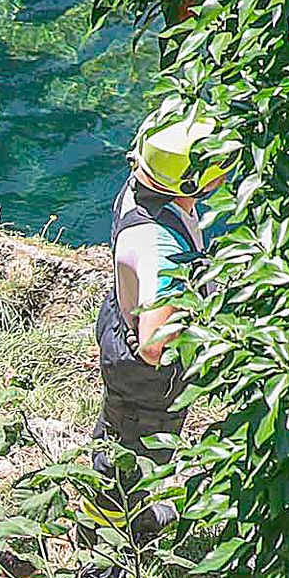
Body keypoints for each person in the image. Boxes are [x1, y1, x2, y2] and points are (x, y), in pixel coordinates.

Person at [99, 107, 225, 452]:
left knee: (118, 425)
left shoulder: (141, 185)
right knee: (139, 449)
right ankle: (116, 488)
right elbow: (155, 348)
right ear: (194, 182)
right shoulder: (162, 248)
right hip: (146, 371)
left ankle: (107, 470)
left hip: (121, 320)